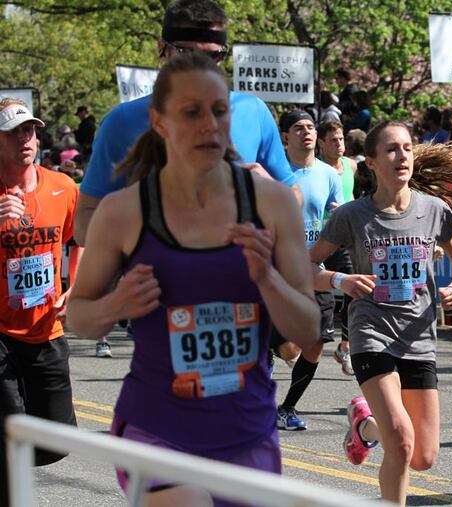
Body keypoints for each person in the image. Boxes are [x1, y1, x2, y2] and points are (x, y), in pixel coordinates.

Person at [66, 53, 320, 507]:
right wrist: (115, 305)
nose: (209, 125)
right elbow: (78, 318)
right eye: (191, 112)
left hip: (246, 430)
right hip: (157, 427)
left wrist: (267, 279)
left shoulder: (273, 204)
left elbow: (307, 330)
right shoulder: (123, 211)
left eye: (219, 111)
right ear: (160, 123)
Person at [75, 0, 296, 358]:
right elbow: (83, 223)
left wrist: (267, 191)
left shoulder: (252, 111)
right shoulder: (123, 122)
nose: (198, 65)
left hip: (243, 304)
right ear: (162, 49)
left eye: (212, 56)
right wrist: (139, 224)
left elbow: (295, 197)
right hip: (162, 310)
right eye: (185, 52)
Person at [309, 121, 452, 505]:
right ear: (371, 162)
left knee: (423, 456)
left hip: (418, 337)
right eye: (391, 150)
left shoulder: (435, 210)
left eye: (407, 148)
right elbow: (303, 268)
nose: (402, 156)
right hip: (372, 334)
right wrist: (340, 281)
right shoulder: (352, 215)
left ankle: (365, 425)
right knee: (399, 437)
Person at [0, 98, 80, 507]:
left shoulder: (62, 186)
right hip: (0, 331)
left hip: (46, 324)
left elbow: (78, 237)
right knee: (10, 431)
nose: (24, 139)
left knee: (56, 440)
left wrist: (74, 283)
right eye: (13, 131)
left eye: (29, 130)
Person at [271, 111, 343, 431]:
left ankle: (287, 408)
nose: (306, 133)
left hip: (315, 267)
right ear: (285, 136)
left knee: (314, 343)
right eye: (298, 128)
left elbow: (337, 214)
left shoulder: (329, 174)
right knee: (284, 346)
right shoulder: (272, 171)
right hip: (276, 269)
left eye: (311, 127)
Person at [317, 120, 357, 376]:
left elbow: (353, 199)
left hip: (343, 240)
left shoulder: (351, 166)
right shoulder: (315, 169)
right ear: (321, 143)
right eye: (333, 140)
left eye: (341, 138)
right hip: (317, 242)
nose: (339, 144)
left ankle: (346, 345)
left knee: (355, 288)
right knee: (316, 295)